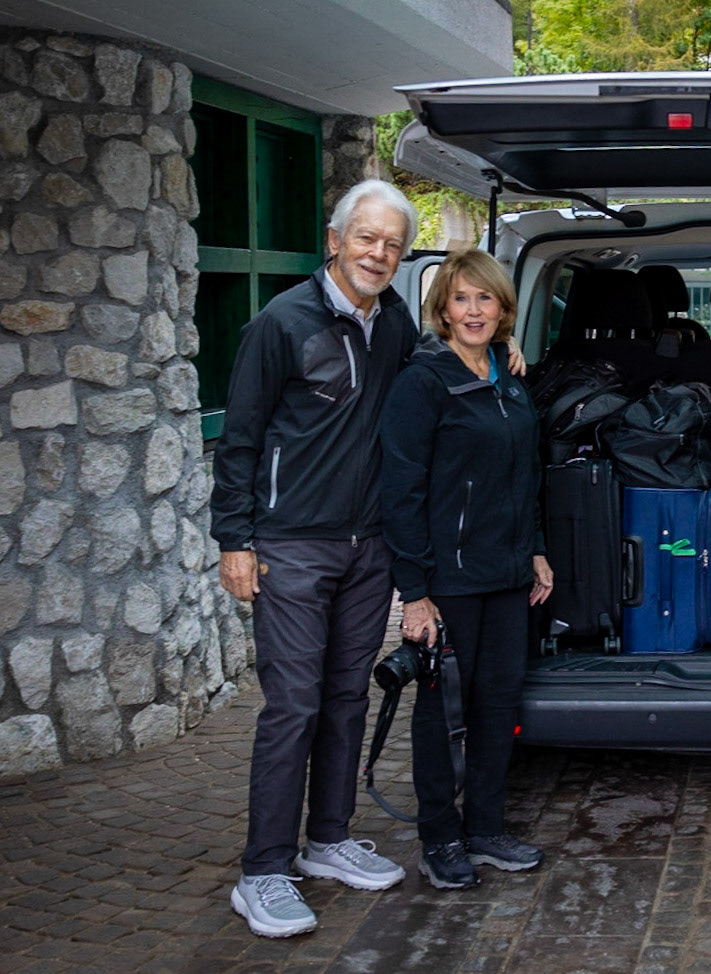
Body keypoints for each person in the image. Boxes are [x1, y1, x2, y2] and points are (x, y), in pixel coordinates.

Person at [210, 179, 420, 938]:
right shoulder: (280, 322)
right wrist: (234, 539)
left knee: (345, 698)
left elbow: (429, 386)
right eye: (367, 238)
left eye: (392, 244)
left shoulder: (393, 322)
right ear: (335, 241)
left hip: (369, 547)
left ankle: (327, 841)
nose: (379, 253)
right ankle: (263, 870)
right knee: (292, 706)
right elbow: (240, 438)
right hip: (290, 545)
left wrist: (502, 349)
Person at [379, 249, 553, 890]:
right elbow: (401, 491)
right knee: (441, 713)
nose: (474, 310)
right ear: (442, 309)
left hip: (507, 574)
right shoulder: (423, 382)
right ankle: (439, 838)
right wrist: (415, 594)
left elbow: (524, 475)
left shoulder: (509, 379)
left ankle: (485, 829)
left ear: (504, 309)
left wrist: (533, 548)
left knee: (496, 706)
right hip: (448, 580)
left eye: (486, 299)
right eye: (462, 299)